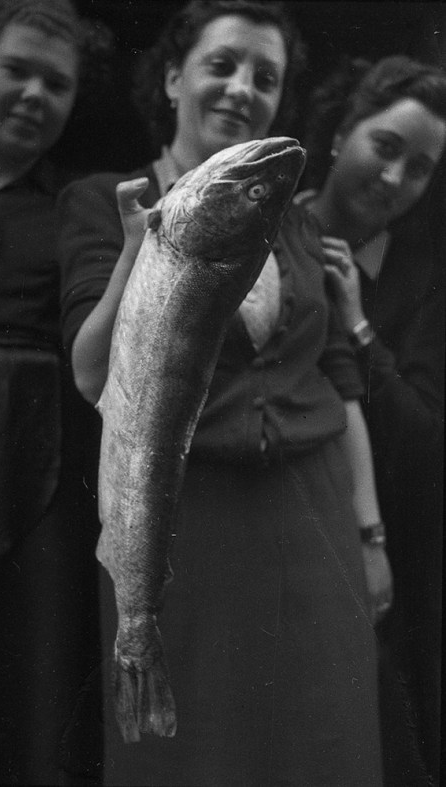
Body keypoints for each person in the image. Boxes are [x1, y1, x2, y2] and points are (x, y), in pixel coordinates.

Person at [57, 2, 392, 784]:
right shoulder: (107, 200)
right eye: (222, 64)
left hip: (313, 516)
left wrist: (372, 535)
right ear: (174, 78)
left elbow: (340, 386)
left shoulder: (299, 227)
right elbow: (90, 373)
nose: (243, 88)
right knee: (190, 753)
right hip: (177, 521)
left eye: (266, 77)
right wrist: (136, 252)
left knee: (322, 743)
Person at [0, 1, 108, 783]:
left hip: (35, 464)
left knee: (20, 674)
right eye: (16, 70)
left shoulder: (78, 208)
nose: (35, 94)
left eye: (57, 82)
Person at [295, 55, 446, 787]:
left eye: (418, 169)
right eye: (384, 147)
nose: (393, 178)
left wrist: (357, 324)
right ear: (340, 132)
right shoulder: (269, 221)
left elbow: (423, 438)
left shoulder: (421, 279)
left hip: (375, 555)